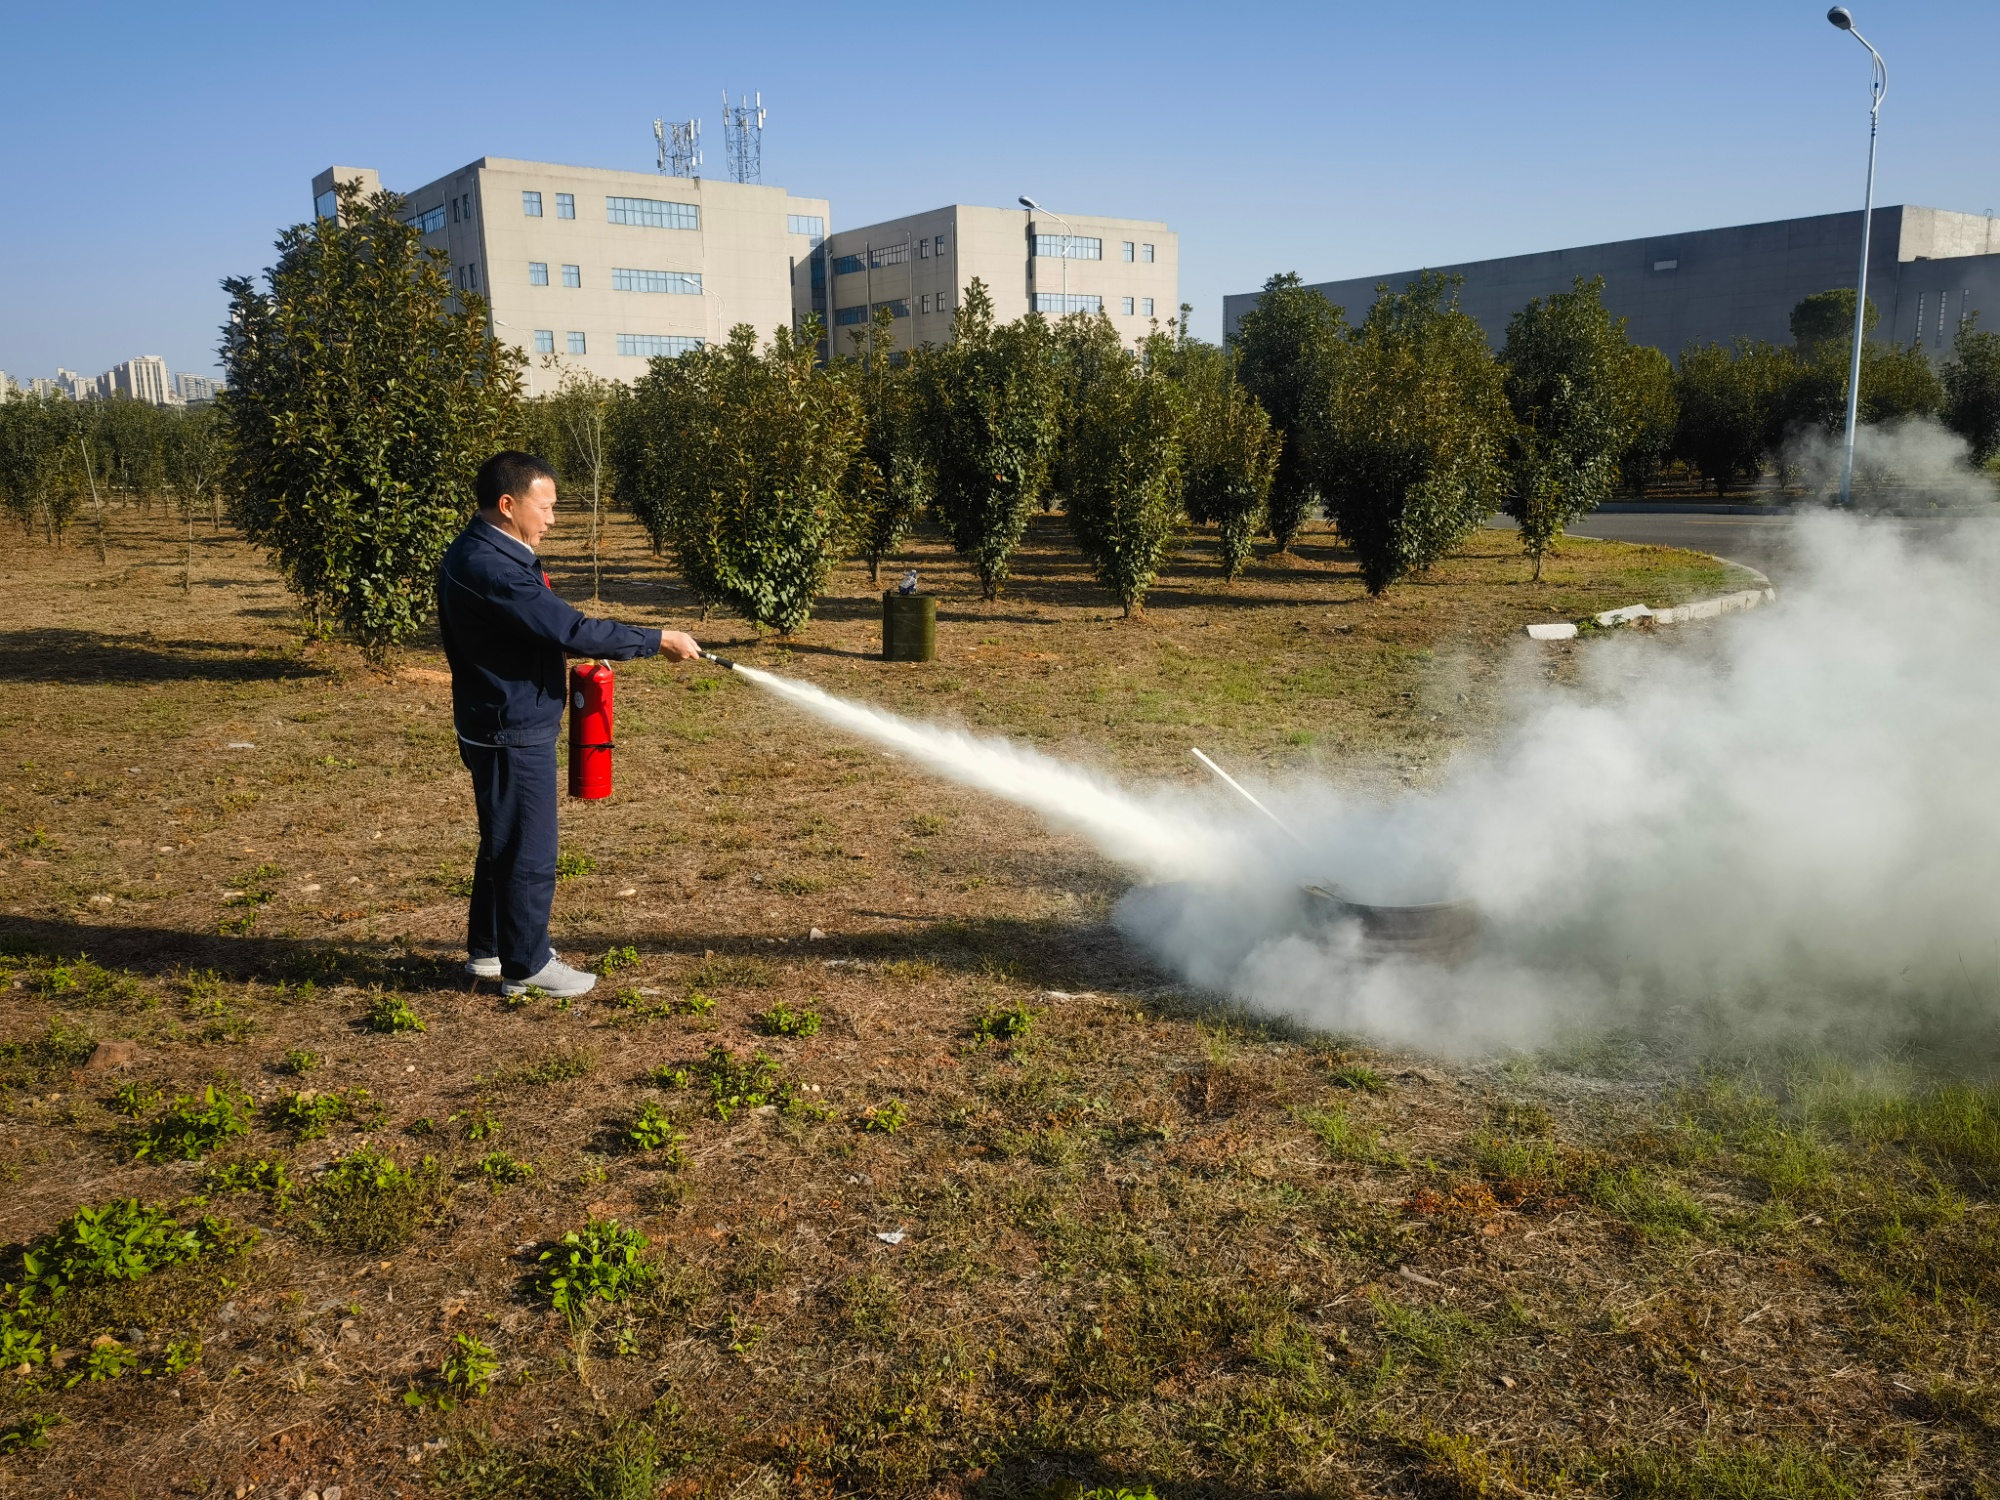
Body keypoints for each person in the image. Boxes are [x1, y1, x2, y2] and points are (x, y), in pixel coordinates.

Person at [437, 451, 701, 998]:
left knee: (502, 840)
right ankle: (528, 965)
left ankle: (489, 951)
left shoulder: (484, 551)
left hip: (496, 715)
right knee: (529, 846)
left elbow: (537, 630)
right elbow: (567, 627)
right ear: (508, 506)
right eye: (547, 506)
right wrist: (657, 640)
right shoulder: (492, 568)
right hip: (511, 725)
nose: (554, 518)